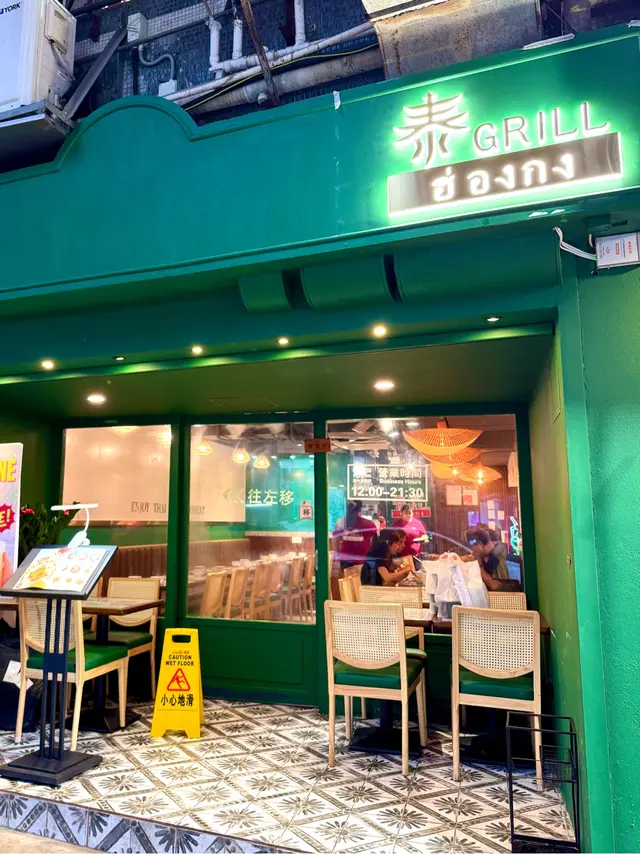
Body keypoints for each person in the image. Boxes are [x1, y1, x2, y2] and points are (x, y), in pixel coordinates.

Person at [332, 500, 378, 570]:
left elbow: (335, 541)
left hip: (345, 560)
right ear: (360, 509)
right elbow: (375, 543)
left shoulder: (340, 522)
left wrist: (337, 556)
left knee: (347, 577)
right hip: (362, 560)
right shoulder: (369, 524)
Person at [396, 504, 427, 570]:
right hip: (402, 556)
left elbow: (424, 535)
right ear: (401, 514)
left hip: (416, 556)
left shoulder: (417, 523)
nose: (408, 515)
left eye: (410, 513)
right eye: (406, 513)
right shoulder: (396, 524)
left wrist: (422, 539)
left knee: (417, 574)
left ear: (412, 514)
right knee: (404, 575)